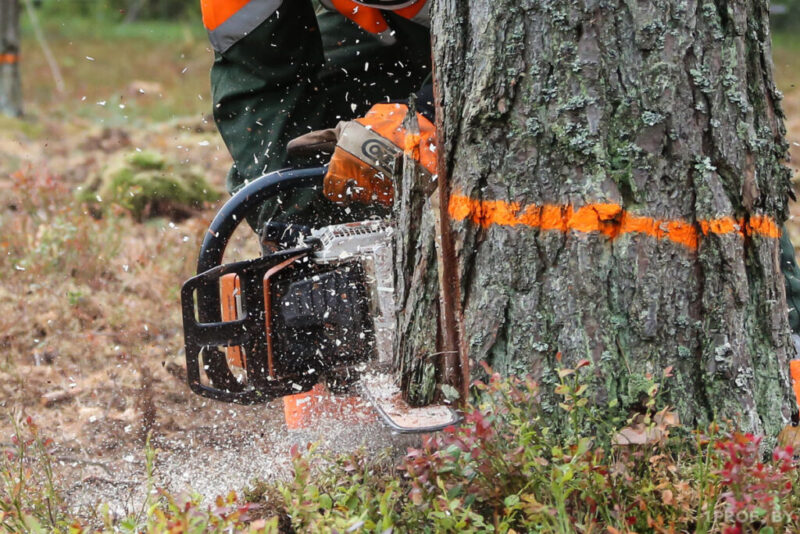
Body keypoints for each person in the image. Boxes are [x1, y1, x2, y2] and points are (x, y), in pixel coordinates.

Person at [200, 0, 436, 243]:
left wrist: (428, 112)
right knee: (321, 107)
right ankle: (345, 249)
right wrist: (292, 220)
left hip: (468, 42)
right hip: (376, 24)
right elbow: (259, 78)